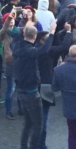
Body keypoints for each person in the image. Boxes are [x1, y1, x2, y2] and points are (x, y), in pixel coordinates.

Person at [13, 21, 56, 149]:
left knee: (27, 123)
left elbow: (21, 36)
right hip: (31, 93)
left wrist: (26, 27)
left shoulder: (18, 47)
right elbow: (44, 50)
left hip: (20, 92)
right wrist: (52, 32)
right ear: (34, 37)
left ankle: (23, 146)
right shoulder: (30, 51)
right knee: (38, 124)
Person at [36, 23, 72, 149]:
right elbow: (64, 46)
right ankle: (41, 144)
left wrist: (59, 30)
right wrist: (68, 32)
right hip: (46, 86)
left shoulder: (34, 49)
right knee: (44, 118)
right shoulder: (48, 51)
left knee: (33, 119)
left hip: (34, 86)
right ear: (42, 40)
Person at [0, 9, 19, 119]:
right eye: (9, 19)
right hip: (10, 63)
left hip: (20, 61)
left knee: (20, 86)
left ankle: (21, 109)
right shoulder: (3, 33)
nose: (11, 21)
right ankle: (8, 110)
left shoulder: (18, 31)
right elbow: (5, 27)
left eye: (13, 19)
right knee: (11, 88)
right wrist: (10, 15)